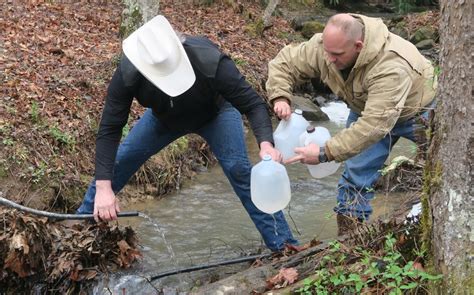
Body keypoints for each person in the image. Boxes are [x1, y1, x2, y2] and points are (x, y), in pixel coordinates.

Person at [76, 15, 298, 251]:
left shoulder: (209, 60)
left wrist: (265, 144)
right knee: (120, 162)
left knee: (239, 169)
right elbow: (110, 128)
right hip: (163, 120)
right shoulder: (129, 71)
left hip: (216, 114)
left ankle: (283, 245)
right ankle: (78, 228)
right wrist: (103, 189)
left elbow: (253, 105)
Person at [266, 13, 437, 235]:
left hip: (420, 111)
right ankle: (349, 241)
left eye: (336, 55)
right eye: (326, 52)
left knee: (440, 171)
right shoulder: (326, 47)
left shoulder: (391, 63)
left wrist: (323, 152)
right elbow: (284, 62)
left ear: (358, 46)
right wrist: (280, 96)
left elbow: (375, 126)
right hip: (365, 109)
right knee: (355, 177)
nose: (328, 59)